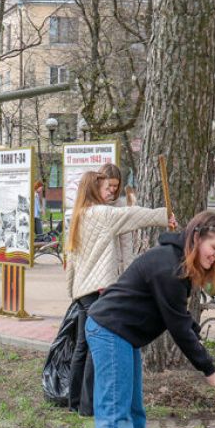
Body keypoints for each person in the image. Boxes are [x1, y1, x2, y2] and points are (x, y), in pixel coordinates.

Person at [85, 211, 215, 428]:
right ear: (197, 238)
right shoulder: (169, 267)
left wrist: (208, 362)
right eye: (214, 247)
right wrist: (208, 369)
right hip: (111, 332)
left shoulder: (179, 263)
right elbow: (178, 329)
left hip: (125, 336)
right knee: (115, 415)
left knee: (134, 414)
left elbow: (182, 319)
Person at [65, 172, 174, 415]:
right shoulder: (102, 214)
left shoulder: (79, 214)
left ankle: (74, 401)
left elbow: (70, 259)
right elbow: (131, 215)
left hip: (84, 290)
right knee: (95, 349)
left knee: (83, 345)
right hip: (98, 289)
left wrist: (71, 290)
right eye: (106, 189)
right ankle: (87, 406)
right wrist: (163, 215)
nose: (111, 193)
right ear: (94, 190)